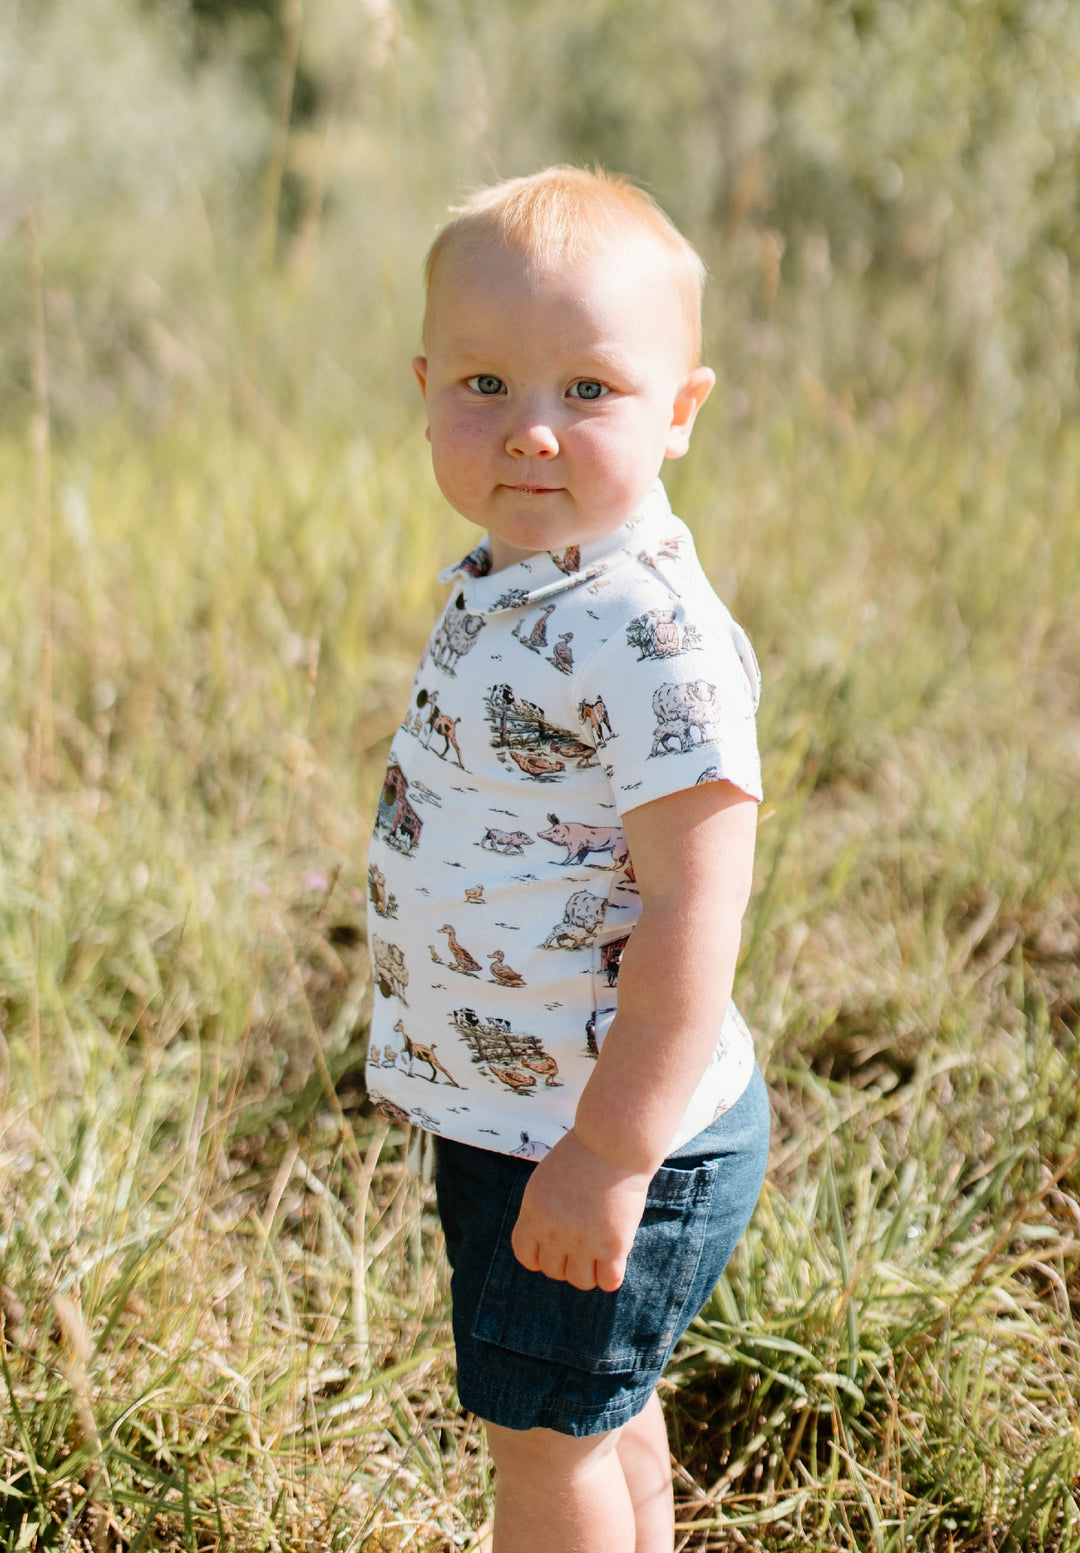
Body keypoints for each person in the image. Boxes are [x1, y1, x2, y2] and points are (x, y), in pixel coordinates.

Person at [365, 165, 769, 1553]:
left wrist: (609, 1155)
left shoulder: (653, 635)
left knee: (539, 1451)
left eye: (589, 391)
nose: (531, 432)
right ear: (426, 388)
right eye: (485, 384)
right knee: (592, 1412)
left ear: (680, 413)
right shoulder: (519, 579)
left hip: (609, 1129)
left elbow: (693, 915)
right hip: (521, 1111)